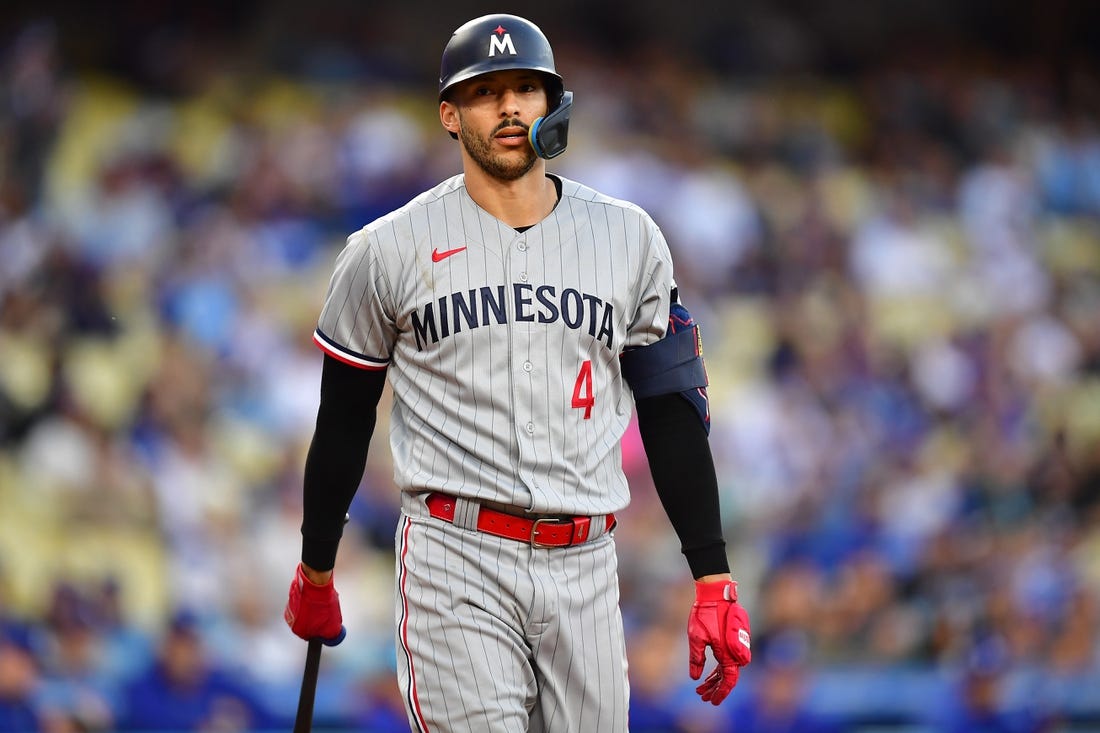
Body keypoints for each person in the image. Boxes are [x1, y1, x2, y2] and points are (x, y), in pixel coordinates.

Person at [283, 13, 751, 732]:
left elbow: (669, 404)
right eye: (485, 91)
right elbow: (343, 418)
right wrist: (318, 565)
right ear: (450, 113)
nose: (508, 106)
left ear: (551, 104)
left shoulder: (629, 238)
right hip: (454, 551)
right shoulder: (385, 249)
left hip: (587, 560)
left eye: (526, 88)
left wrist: (712, 574)